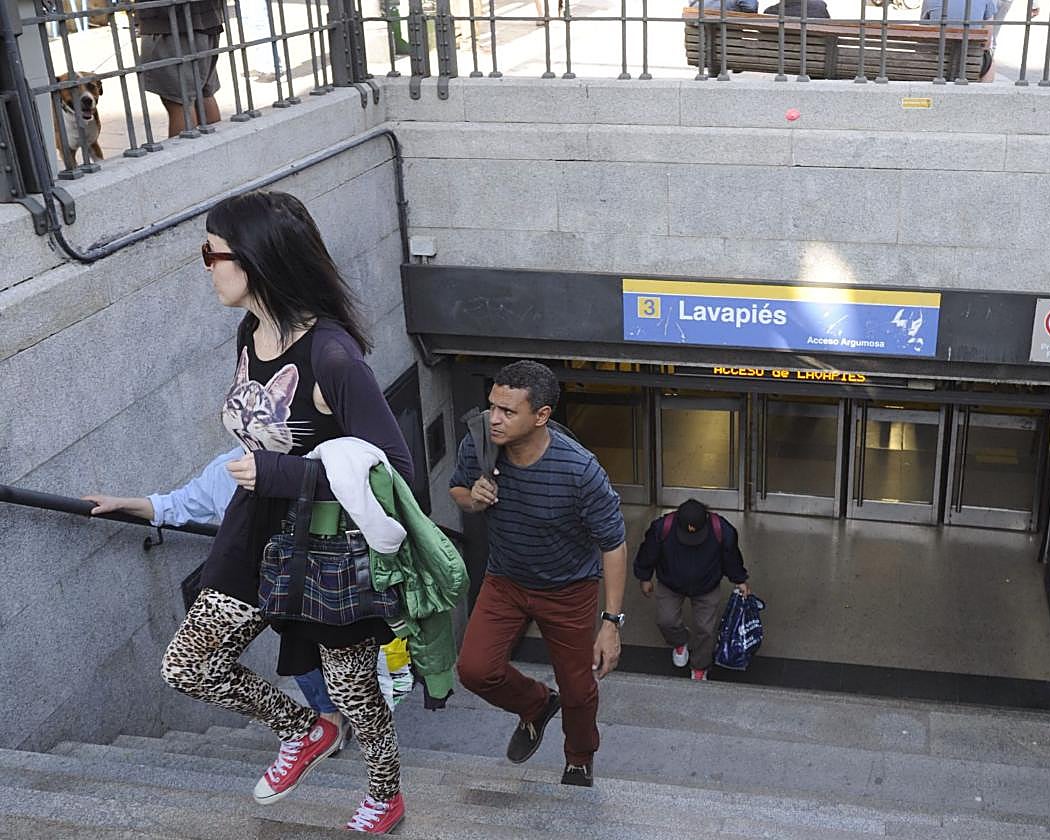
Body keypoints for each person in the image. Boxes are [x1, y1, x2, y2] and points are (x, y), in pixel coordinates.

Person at [152, 190, 414, 834]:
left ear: (256, 259)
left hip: (326, 547)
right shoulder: (251, 330)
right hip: (254, 528)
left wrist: (279, 472)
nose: (206, 265)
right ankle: (304, 728)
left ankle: (386, 794)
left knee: (355, 688)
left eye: (212, 252)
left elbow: (396, 474)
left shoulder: (332, 359)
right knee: (188, 665)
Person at [83, 447, 415, 744]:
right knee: (291, 662)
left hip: (315, 586)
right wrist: (121, 504)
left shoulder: (309, 463)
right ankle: (321, 722)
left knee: (334, 659)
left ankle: (355, 727)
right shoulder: (226, 468)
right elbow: (176, 505)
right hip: (254, 588)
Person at [450, 360, 627, 789]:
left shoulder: (580, 470)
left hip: (568, 590)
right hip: (505, 580)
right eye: (492, 405)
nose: (494, 418)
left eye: (508, 412)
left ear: (541, 416)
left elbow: (614, 544)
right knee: (474, 669)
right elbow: (457, 490)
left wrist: (611, 624)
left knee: (579, 690)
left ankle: (579, 757)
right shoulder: (477, 443)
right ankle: (535, 704)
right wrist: (473, 497)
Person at [633, 499, 750, 682]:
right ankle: (680, 642)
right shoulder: (662, 528)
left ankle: (700, 666)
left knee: (706, 629)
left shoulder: (722, 530)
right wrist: (644, 576)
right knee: (666, 620)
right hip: (671, 583)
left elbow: (731, 557)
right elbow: (648, 552)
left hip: (707, 585)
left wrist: (740, 579)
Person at [134, 0, 223, 136]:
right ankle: (218, 153)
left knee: (180, 102)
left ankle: (190, 155)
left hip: (171, 24)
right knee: (203, 95)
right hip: (206, 19)